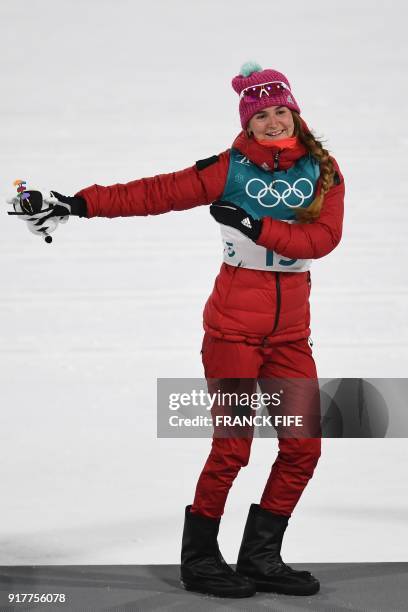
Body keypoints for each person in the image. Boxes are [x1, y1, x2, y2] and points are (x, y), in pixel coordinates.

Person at [11, 61, 345, 599]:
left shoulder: (325, 172)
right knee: (234, 446)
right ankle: (201, 561)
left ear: (297, 115)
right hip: (232, 332)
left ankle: (261, 557)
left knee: (304, 447)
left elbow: (322, 241)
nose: (273, 121)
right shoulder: (229, 169)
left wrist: (254, 225)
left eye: (281, 110)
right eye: (261, 114)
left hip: (289, 337)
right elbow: (156, 192)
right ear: (248, 122)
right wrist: (78, 203)